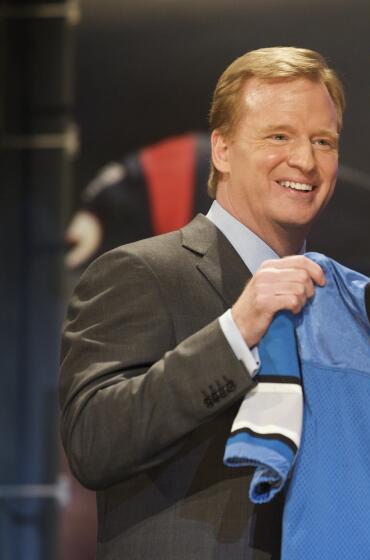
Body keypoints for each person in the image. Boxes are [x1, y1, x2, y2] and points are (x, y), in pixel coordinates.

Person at [59, 46, 343, 558]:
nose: (305, 160)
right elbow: (92, 443)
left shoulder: (336, 299)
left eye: (323, 140)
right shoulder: (140, 273)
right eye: (279, 135)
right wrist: (237, 331)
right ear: (223, 149)